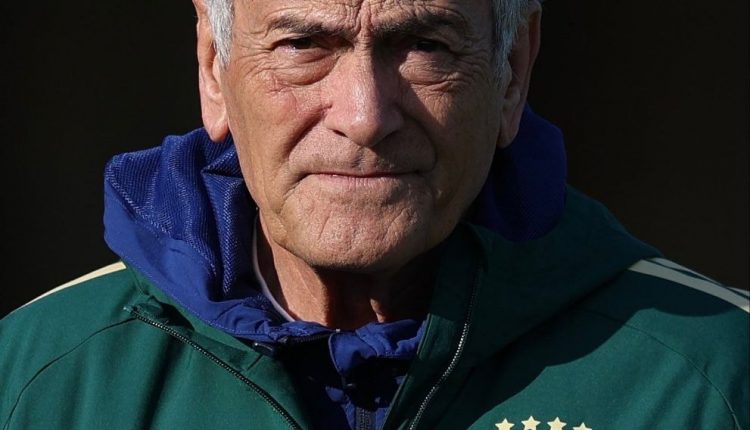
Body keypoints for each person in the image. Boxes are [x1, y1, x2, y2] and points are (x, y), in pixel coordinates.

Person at [1, 0, 747, 428]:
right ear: (213, 68)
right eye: (303, 44)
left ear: (512, 71)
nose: (364, 116)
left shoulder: (711, 380)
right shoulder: (39, 377)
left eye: (424, 45)